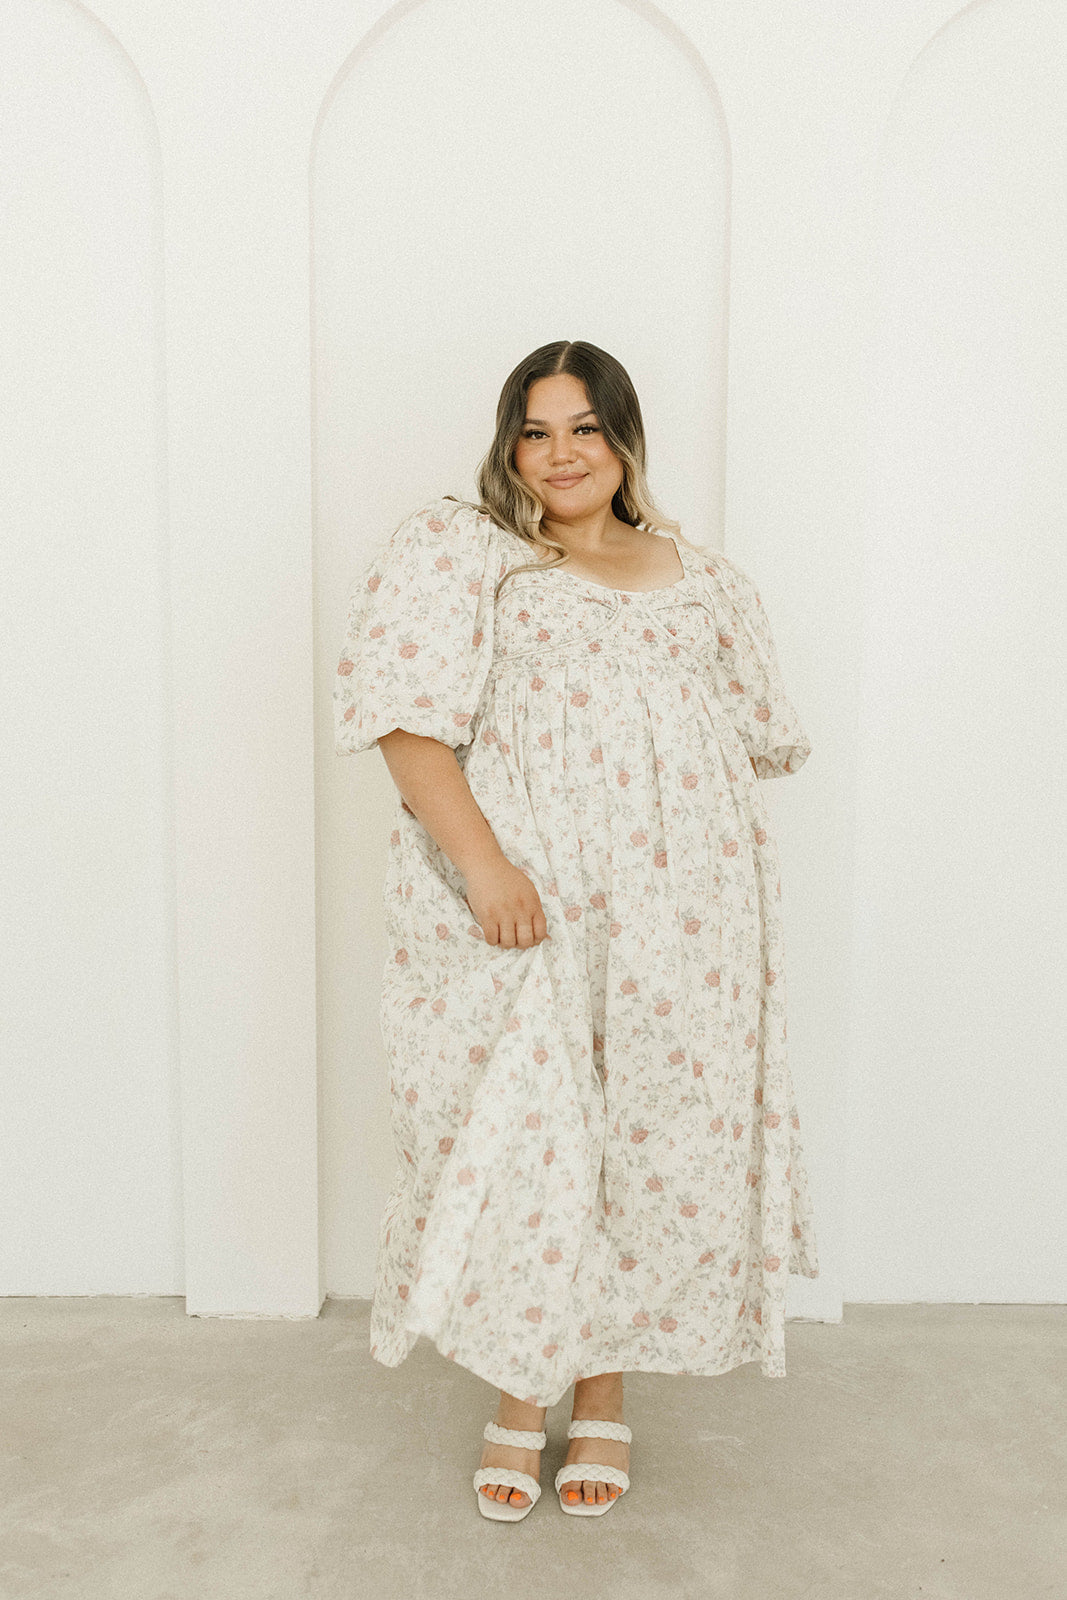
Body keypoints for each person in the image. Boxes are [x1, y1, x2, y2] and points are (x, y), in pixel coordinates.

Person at [334, 340, 819, 1522]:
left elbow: (748, 741)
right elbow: (407, 727)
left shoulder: (704, 581)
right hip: (530, 906)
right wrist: (485, 866)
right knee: (531, 1138)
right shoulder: (470, 557)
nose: (560, 454)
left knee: (648, 1141)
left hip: (684, 918)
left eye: (585, 428)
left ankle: (602, 1388)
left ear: (624, 440)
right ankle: (522, 1388)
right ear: (508, 447)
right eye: (536, 430)